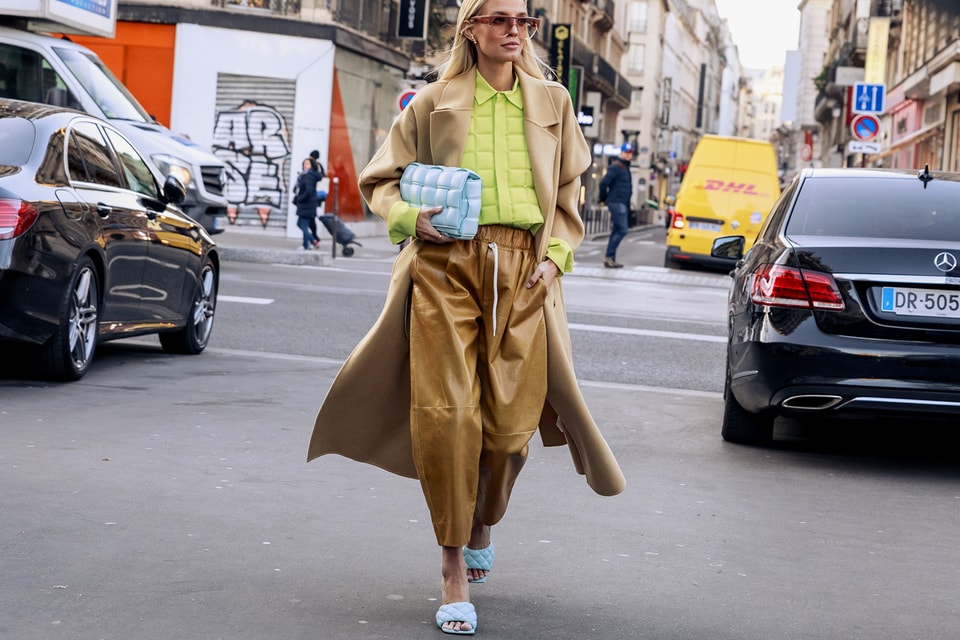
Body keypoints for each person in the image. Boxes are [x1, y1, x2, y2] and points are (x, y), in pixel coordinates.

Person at [306, 0, 625, 635]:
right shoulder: (433, 102)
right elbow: (381, 181)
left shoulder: (553, 103)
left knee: (509, 432)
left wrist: (557, 258)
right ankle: (452, 568)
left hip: (524, 269)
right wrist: (408, 219)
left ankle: (480, 520)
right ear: (471, 28)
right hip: (445, 264)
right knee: (447, 415)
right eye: (501, 19)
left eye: (524, 21)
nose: (515, 31)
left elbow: (569, 194)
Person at [598, 142, 635, 268]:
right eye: (626, 153)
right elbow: (603, 183)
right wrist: (603, 198)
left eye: (630, 153)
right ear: (621, 153)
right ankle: (609, 256)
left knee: (616, 230)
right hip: (616, 202)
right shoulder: (617, 166)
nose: (629, 155)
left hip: (622, 203)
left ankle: (610, 258)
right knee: (622, 230)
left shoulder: (624, 167)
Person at [293, 156, 323, 249]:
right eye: (304, 163)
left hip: (306, 204)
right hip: (307, 204)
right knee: (300, 224)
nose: (305, 165)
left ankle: (306, 245)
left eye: (307, 163)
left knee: (304, 225)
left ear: (312, 165)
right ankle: (312, 241)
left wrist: (299, 199)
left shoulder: (309, 176)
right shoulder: (305, 175)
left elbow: (308, 191)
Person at [307, 150, 327, 241]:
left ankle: (314, 236)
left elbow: (318, 178)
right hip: (316, 196)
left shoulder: (315, 166)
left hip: (313, 195)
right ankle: (314, 236)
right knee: (311, 217)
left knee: (310, 218)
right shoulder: (319, 166)